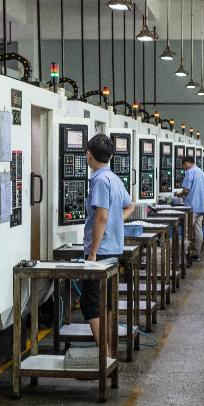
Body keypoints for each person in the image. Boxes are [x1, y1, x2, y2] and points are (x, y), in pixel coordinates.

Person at [82, 134, 134, 346]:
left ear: (89, 155)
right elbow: (129, 206)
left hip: (101, 251)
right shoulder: (114, 178)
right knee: (108, 303)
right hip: (113, 248)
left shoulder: (101, 181)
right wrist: (116, 221)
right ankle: (110, 352)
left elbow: (101, 216)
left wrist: (92, 253)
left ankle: (104, 353)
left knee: (91, 304)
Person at [176, 155, 204, 262]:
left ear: (188, 163)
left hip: (191, 207)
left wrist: (179, 194)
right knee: (198, 230)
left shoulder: (190, 172)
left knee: (186, 230)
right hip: (201, 206)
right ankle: (196, 254)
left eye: (184, 165)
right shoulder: (202, 173)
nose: (184, 168)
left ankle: (183, 255)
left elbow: (186, 190)